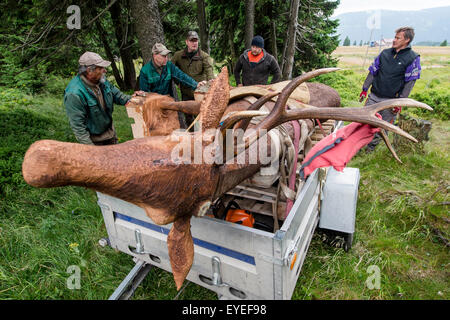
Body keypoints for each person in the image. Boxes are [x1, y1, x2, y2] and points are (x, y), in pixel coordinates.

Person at [359, 26, 421, 152]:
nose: (394, 40)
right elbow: (373, 72)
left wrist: (400, 102)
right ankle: (359, 147)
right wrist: (365, 89)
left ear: (407, 40)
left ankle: (370, 151)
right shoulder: (384, 53)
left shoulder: (413, 58)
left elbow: (410, 83)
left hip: (391, 101)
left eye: (398, 38)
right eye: (395, 37)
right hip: (374, 97)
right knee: (365, 122)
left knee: (383, 127)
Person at [64, 51, 144, 145]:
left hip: (110, 135)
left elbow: (120, 97)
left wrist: (137, 99)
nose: (105, 70)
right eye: (101, 68)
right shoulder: (74, 93)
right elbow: (78, 128)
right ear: (90, 70)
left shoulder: (102, 81)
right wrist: (91, 150)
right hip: (94, 142)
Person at [139, 43, 205, 98]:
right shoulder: (145, 71)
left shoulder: (169, 66)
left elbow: (182, 76)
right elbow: (145, 94)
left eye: (167, 56)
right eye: (163, 56)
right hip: (153, 104)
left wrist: (196, 84)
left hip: (168, 102)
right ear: (154, 55)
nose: (166, 59)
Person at [171, 31, 214, 101]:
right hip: (186, 93)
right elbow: (170, 69)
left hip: (201, 92)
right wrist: (178, 82)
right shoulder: (178, 56)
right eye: (192, 41)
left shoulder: (204, 56)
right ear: (186, 42)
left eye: (196, 40)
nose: (194, 43)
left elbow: (209, 70)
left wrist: (211, 80)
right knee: (187, 111)